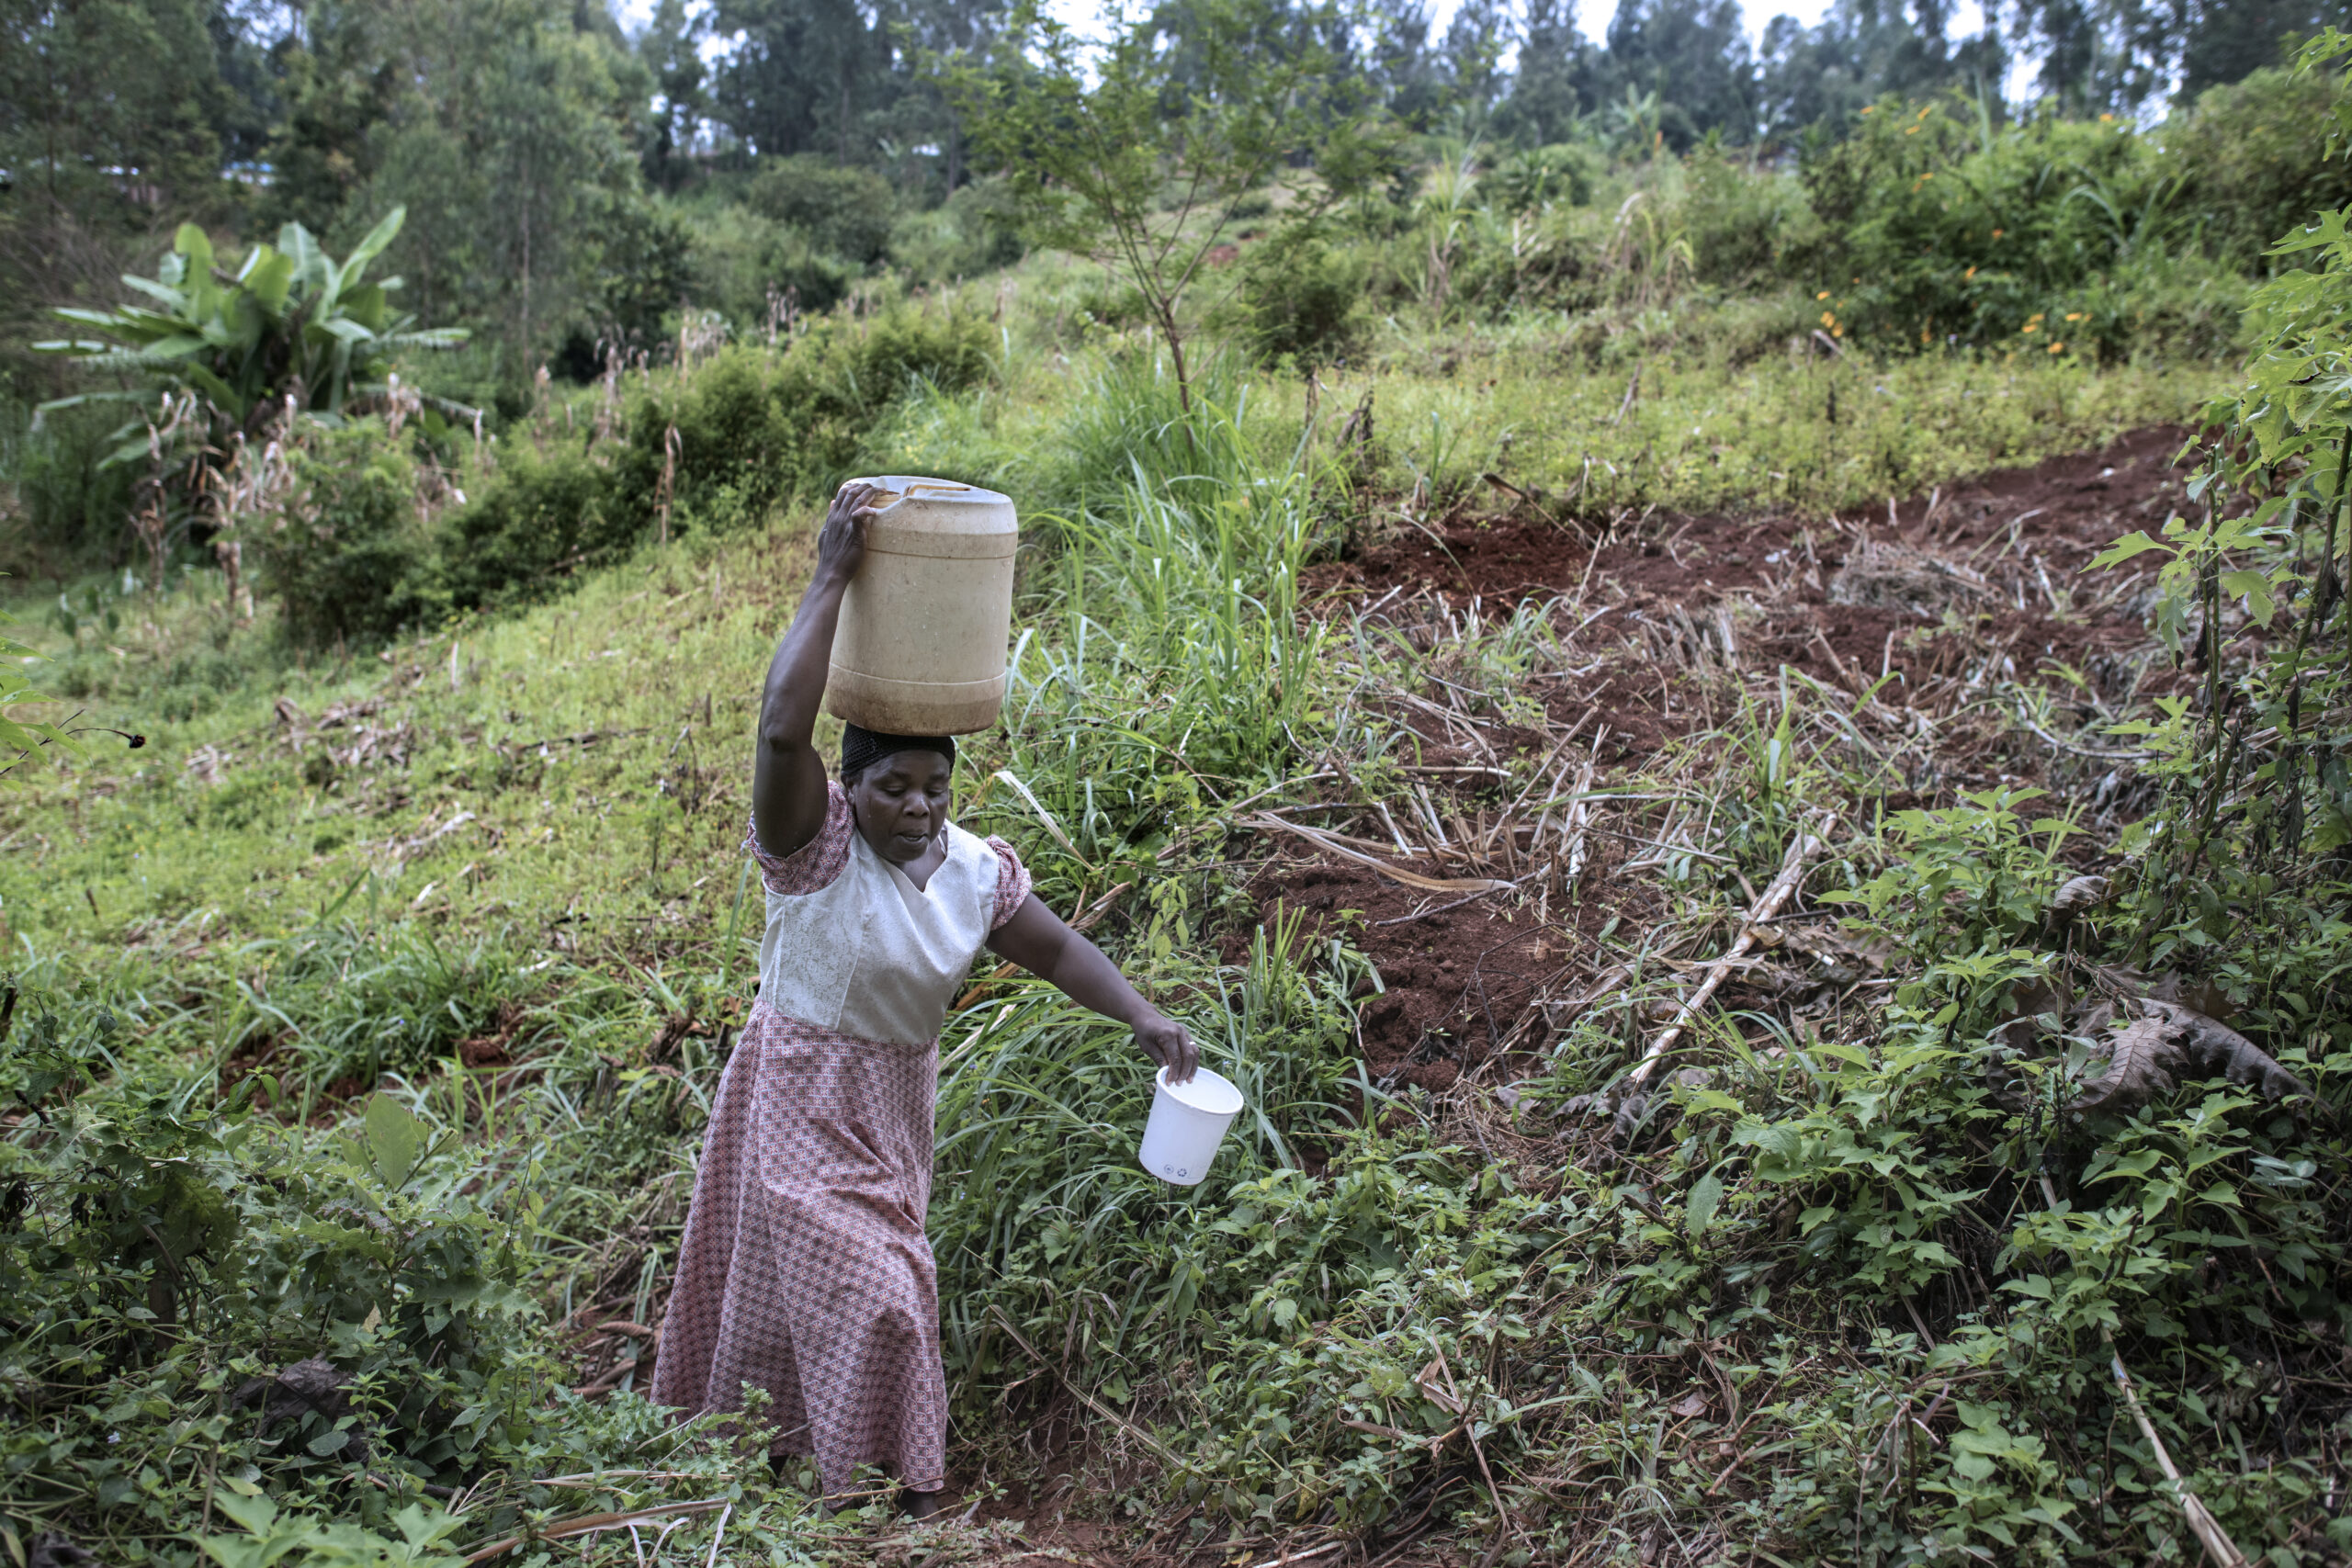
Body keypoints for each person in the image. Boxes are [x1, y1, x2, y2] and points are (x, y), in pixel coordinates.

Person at [650, 479, 1198, 1521]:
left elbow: (1058, 949)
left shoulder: (974, 871)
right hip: (797, 1095)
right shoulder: (813, 854)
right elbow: (778, 734)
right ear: (847, 790)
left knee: (791, 1292)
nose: (916, 808)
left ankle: (785, 1470)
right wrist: (829, 577)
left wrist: (1142, 1014)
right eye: (892, 787)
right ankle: (899, 1494)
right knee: (875, 1290)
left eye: (933, 788)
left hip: (892, 1108)